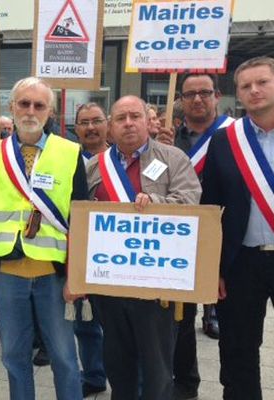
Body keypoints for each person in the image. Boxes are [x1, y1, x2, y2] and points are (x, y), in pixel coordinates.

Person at [0, 77, 87, 400]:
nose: (30, 110)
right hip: (7, 275)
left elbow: (80, 217)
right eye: (24, 103)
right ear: (12, 107)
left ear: (50, 111)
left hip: (53, 274)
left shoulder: (70, 152)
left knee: (64, 356)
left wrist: (76, 277)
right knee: (14, 358)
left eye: (39, 105)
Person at [85, 95, 202, 400]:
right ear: (110, 126)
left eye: (134, 116)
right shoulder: (95, 166)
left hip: (155, 290)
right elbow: (79, 216)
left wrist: (156, 204)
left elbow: (191, 204)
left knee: (157, 372)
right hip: (109, 286)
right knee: (118, 367)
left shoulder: (173, 158)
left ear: (148, 121)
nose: (128, 123)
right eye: (120, 118)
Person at [157, 72, 235, 400]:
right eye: (189, 94)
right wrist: (159, 153)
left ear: (217, 96)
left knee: (236, 325)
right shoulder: (168, 140)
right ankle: (186, 384)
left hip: (229, 239)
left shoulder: (234, 135)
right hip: (183, 240)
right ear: (181, 100)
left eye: (204, 92)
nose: (197, 99)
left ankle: (236, 384)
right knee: (180, 318)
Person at [201, 56, 274, 400]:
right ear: (238, 95)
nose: (254, 90)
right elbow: (211, 207)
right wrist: (214, 268)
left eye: (262, 82)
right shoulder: (225, 141)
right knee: (238, 349)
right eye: (246, 86)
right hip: (241, 262)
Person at [70, 102, 109, 397]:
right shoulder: (67, 158)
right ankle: (94, 375)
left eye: (96, 120)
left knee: (122, 325)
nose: (91, 127)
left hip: (119, 252)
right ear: (76, 128)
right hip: (82, 252)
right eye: (84, 122)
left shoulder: (122, 157)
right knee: (85, 323)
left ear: (107, 123)